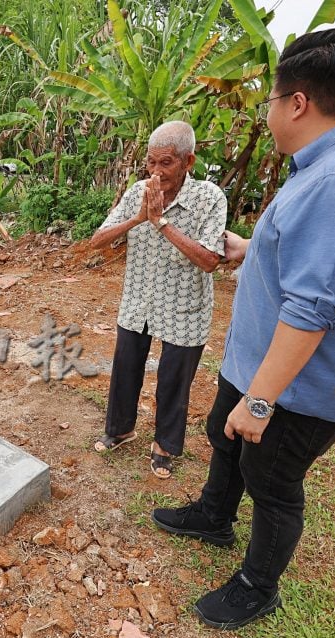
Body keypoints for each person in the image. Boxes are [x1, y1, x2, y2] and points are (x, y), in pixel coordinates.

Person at [152, 28, 335, 630]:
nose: (268, 112)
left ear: (298, 103)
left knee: (271, 481)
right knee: (223, 435)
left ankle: (256, 584)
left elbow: (313, 309)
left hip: (295, 384)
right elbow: (313, 256)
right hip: (257, 361)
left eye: (271, 100)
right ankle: (214, 515)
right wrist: (255, 249)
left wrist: (262, 398)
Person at [89, 121, 227, 479]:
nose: (156, 172)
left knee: (173, 381)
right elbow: (97, 240)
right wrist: (138, 218)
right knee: (125, 370)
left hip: (185, 308)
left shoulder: (209, 198)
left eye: (165, 163)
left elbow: (211, 260)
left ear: (188, 161)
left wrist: (161, 222)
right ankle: (120, 429)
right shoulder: (139, 192)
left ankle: (165, 445)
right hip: (138, 303)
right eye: (151, 162)